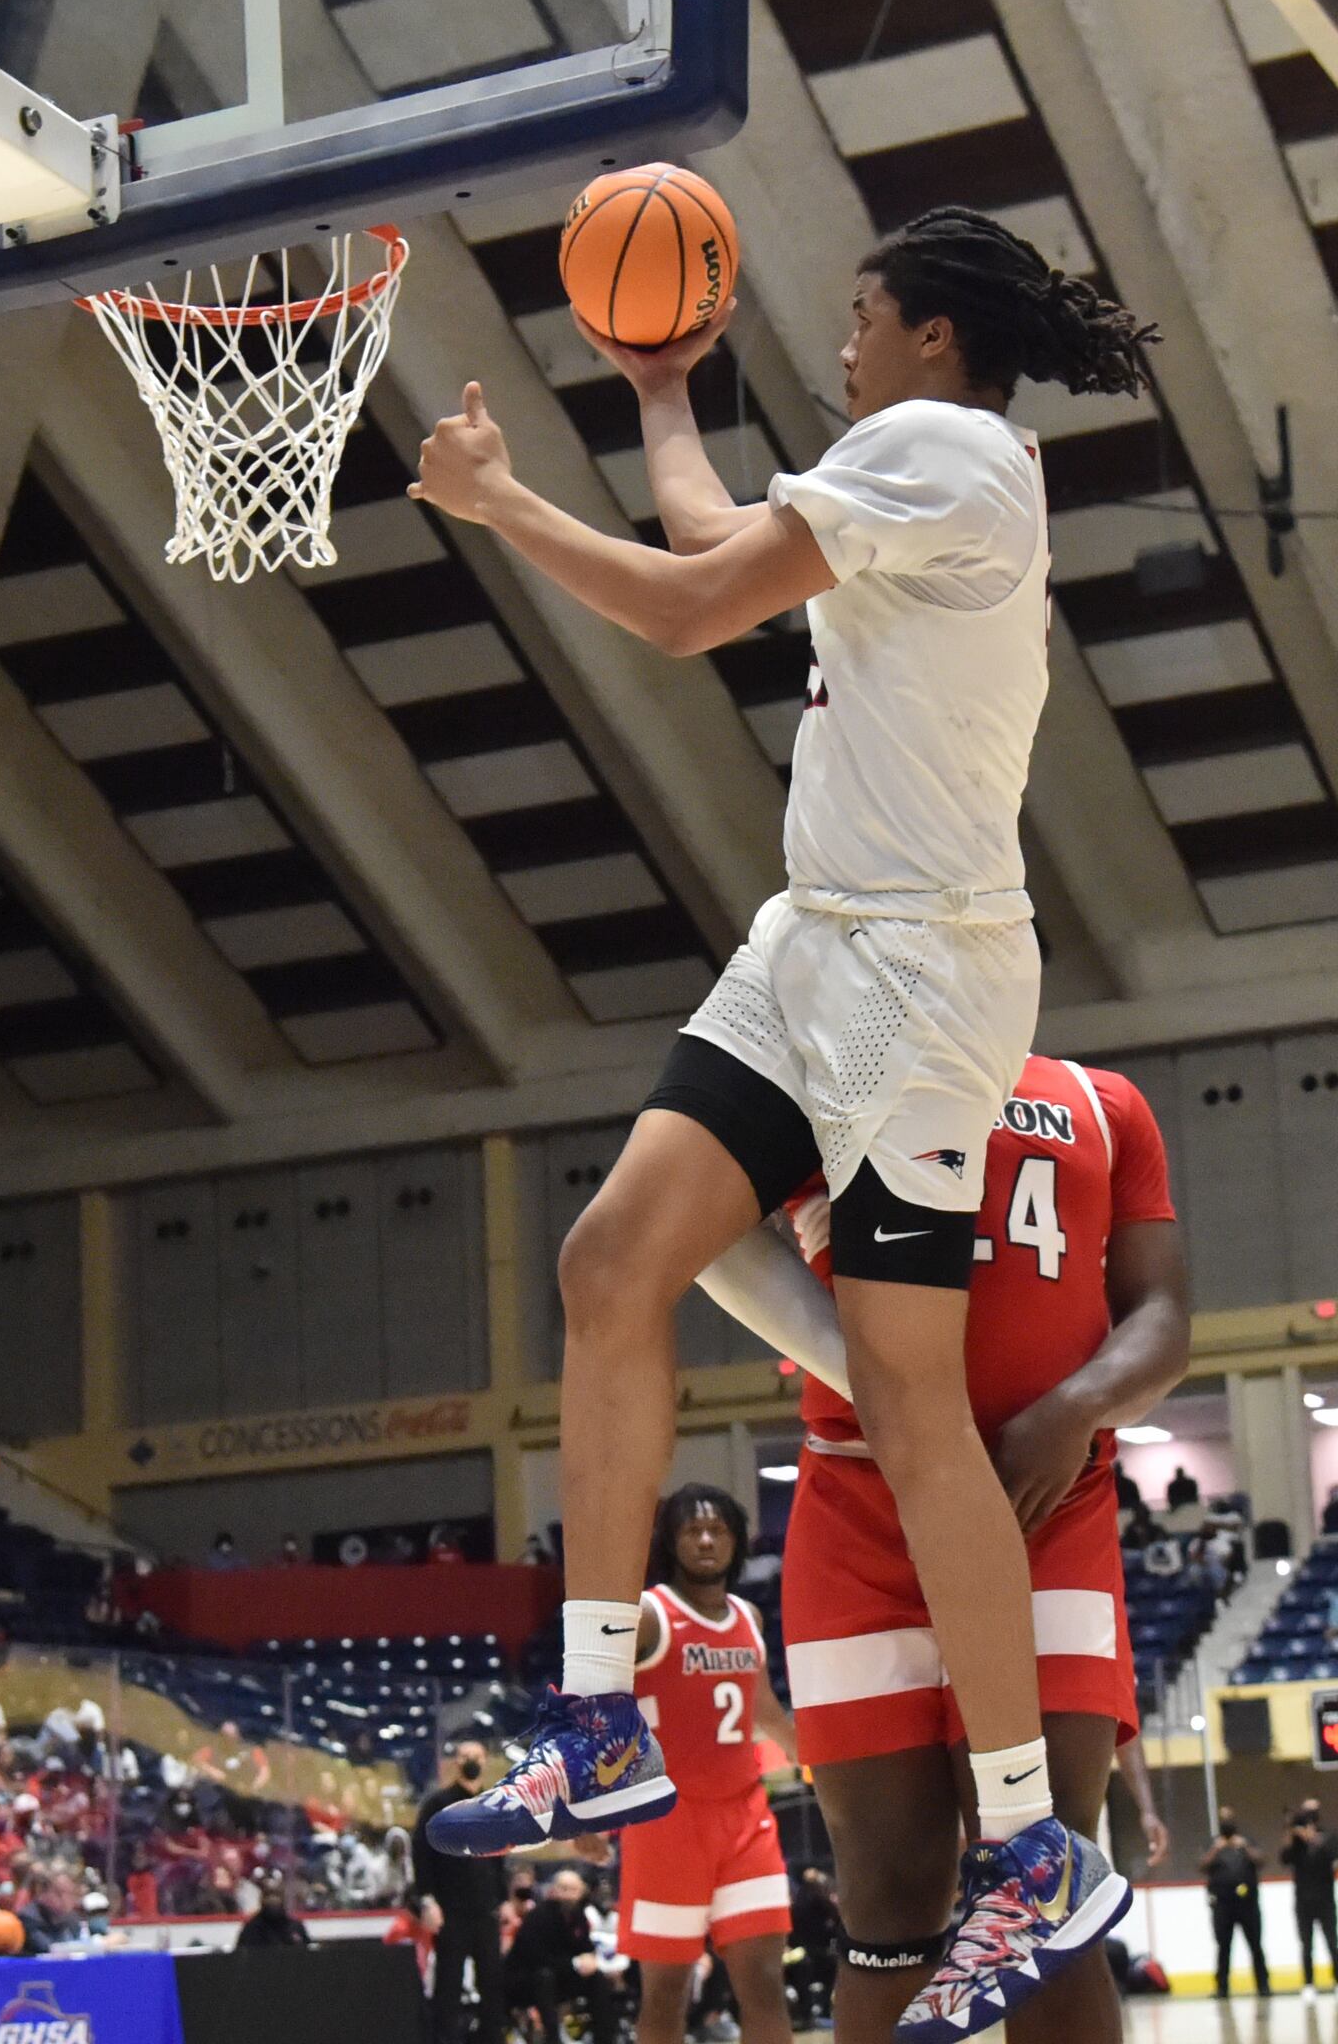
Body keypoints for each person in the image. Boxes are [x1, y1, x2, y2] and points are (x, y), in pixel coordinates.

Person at [410, 205, 1159, 2042]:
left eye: (854, 315)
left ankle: (1036, 1850)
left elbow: (680, 614)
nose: (837, 344)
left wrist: (498, 499)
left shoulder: (950, 451)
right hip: (815, 942)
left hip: (921, 977)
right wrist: (663, 392)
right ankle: (598, 1722)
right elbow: (714, 541)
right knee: (613, 1264)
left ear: (921, 331)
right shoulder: (904, 471)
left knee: (910, 1410)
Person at [699, 1052, 1190, 2044]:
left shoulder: (1105, 1103)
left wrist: (1078, 1407)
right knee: (885, 1897)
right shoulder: (825, 1075)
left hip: (1044, 1500)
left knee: (1043, 1889)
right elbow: (705, 1231)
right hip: (856, 1512)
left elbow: (1165, 1316)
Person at [607, 1488, 793, 2044]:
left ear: (736, 1541)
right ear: (671, 1540)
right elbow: (595, 1708)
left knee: (763, 1982)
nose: (706, 1539)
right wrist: (585, 1808)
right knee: (666, 1993)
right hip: (667, 1823)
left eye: (718, 1530)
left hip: (746, 1819)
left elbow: (765, 1711)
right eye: (692, 1530)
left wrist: (826, 1762)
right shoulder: (647, 1613)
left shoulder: (750, 1615)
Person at [413, 1743, 510, 2044]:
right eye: (466, 1758)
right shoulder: (437, 1804)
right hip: (450, 1908)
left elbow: (500, 1856)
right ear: (456, 1763)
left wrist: (504, 1899)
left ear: (486, 1761)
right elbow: (421, 1854)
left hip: (486, 1910)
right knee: (449, 1984)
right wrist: (427, 1900)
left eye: (478, 1757)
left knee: (492, 1984)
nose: (472, 1762)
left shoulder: (494, 1802)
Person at [501, 1868, 615, 2043]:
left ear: (581, 1892)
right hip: (526, 1980)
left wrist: (590, 1960)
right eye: (564, 1889)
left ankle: (605, 2039)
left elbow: (585, 1948)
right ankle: (552, 2039)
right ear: (553, 1890)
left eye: (573, 1890)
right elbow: (535, 1958)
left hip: (561, 1977)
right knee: (544, 1977)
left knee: (597, 1978)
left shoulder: (579, 1916)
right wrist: (574, 1963)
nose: (568, 1895)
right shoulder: (538, 1916)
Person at [1282, 1801, 1338, 1997]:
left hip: (1326, 1898)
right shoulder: (1296, 1844)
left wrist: (1314, 1839)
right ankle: (1308, 1983)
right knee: (1306, 1944)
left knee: (1332, 1942)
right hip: (1303, 1900)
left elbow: (1335, 1860)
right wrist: (1293, 1834)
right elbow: (1284, 1858)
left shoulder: (1329, 1837)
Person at [1200, 1815, 1265, 1998]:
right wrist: (1216, 1849)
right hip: (1222, 1903)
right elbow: (1202, 1865)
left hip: (1248, 1903)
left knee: (1255, 1945)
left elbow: (1261, 1860)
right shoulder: (1214, 1844)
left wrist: (1244, 1846)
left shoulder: (1245, 1843)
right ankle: (1222, 1987)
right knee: (1223, 1947)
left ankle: (1263, 1985)